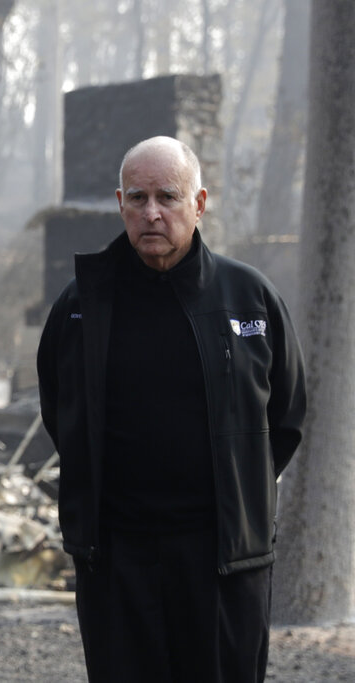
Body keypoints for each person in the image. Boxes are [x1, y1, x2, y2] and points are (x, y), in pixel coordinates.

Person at [37, 136, 307, 682]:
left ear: (200, 203)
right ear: (120, 203)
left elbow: (287, 415)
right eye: (137, 198)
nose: (151, 212)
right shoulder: (81, 306)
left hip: (222, 557)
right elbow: (61, 412)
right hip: (117, 558)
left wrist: (240, 482)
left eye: (168, 196)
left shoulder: (248, 297)